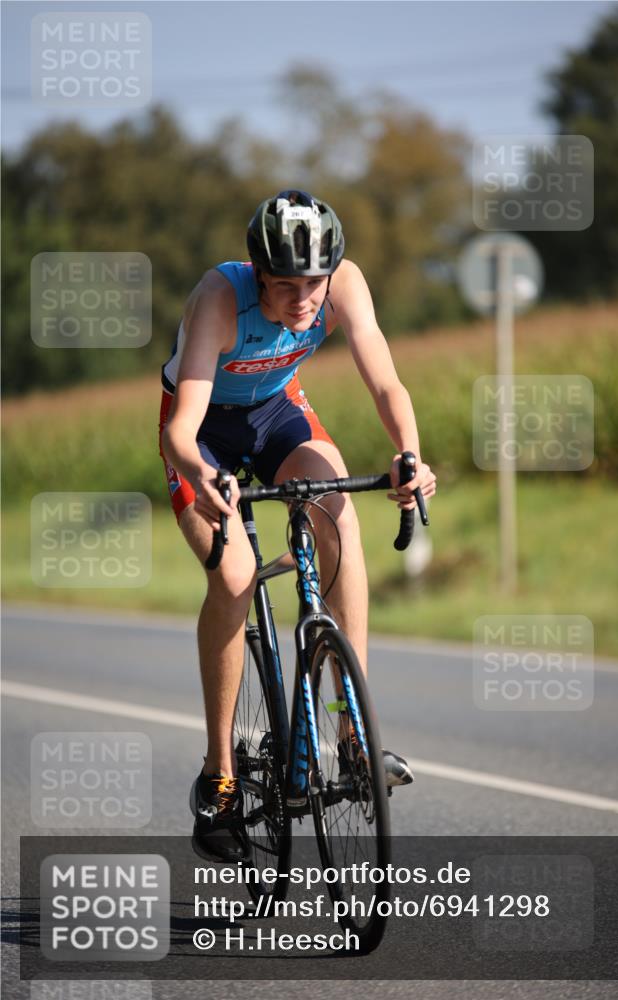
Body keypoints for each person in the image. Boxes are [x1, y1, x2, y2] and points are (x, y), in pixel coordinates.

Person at [159, 189, 437, 862]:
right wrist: (204, 478)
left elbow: (385, 384)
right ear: (258, 275)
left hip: (278, 413)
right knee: (235, 575)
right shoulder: (219, 299)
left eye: (313, 284)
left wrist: (408, 455)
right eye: (285, 287)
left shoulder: (343, 284)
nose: (304, 300)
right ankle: (220, 777)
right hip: (206, 437)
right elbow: (179, 431)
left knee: (339, 520)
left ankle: (351, 734)